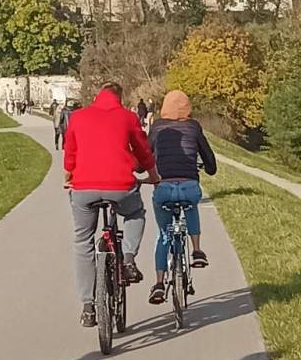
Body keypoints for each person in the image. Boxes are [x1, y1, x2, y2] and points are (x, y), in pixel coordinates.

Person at [64, 83, 160, 326]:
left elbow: (70, 151)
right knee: (135, 213)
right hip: (120, 187)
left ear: (98, 96)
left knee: (83, 240)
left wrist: (69, 176)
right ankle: (127, 259)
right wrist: (153, 175)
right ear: (120, 98)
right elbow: (143, 151)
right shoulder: (128, 118)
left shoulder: (78, 117)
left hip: (84, 188)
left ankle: (88, 307)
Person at [147, 90, 217, 304]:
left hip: (164, 188)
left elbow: (145, 156)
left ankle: (159, 284)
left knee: (164, 235)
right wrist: (208, 168)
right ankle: (197, 250)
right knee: (191, 205)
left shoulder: (157, 127)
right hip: (189, 186)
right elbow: (209, 160)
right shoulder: (193, 127)